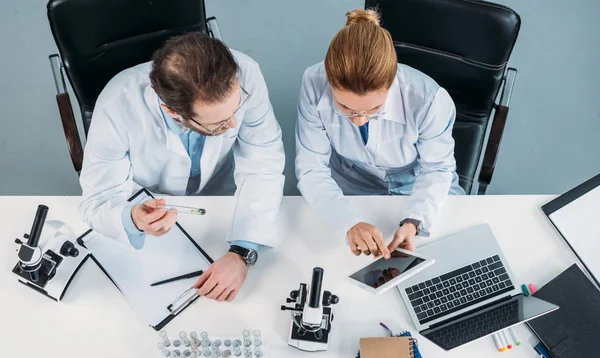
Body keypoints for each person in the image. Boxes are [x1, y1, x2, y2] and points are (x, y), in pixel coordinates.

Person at [79, 33, 285, 302]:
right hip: (156, 205)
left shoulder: (246, 74)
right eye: (219, 124)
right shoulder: (116, 106)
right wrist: (133, 218)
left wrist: (242, 252)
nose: (234, 126)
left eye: (236, 110)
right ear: (172, 112)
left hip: (222, 196)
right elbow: (96, 201)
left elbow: (264, 162)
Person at [295, 9, 464, 259]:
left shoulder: (429, 100)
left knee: (446, 256)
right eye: (345, 108)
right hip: (352, 182)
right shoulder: (313, 81)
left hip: (417, 182)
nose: (360, 119)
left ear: (391, 81)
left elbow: (437, 169)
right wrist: (348, 223)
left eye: (374, 109)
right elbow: (311, 168)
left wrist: (415, 220)